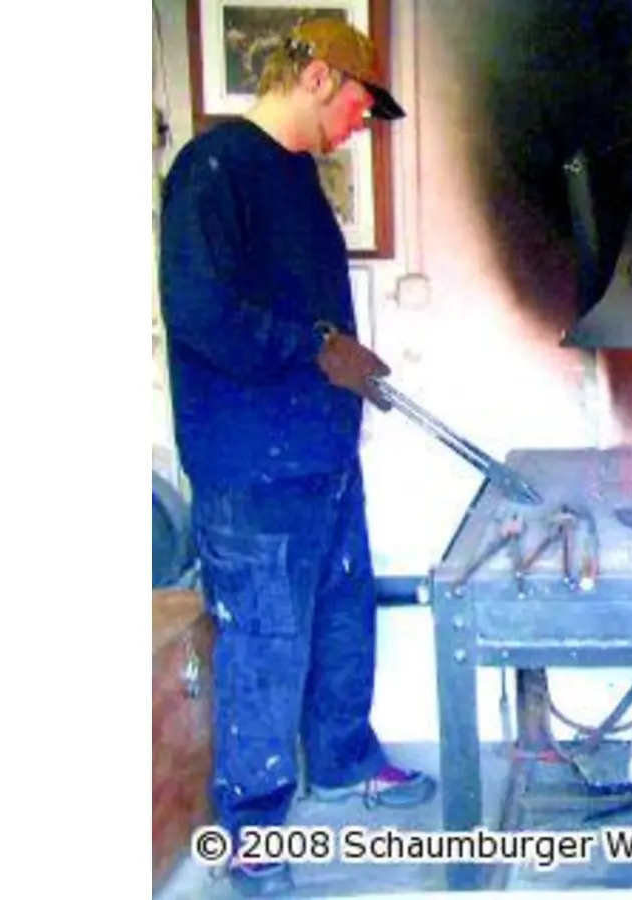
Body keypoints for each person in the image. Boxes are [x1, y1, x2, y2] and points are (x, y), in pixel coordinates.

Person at [157, 18, 433, 897]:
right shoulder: (214, 168)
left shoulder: (301, 179)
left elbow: (307, 314)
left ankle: (345, 756)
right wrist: (316, 348)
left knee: (345, 610)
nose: (361, 121)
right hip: (252, 469)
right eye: (359, 101)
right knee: (267, 638)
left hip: (321, 452)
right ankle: (252, 824)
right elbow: (202, 315)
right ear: (318, 77)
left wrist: (344, 365)